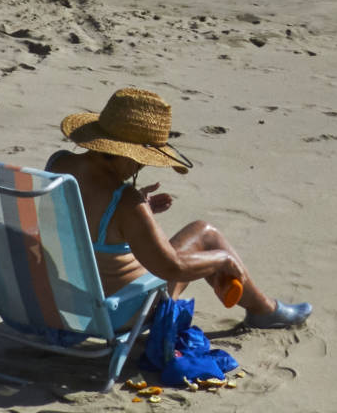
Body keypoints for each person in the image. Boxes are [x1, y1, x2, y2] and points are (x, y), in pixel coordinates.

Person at [46, 87, 311, 329]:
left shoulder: (57, 166)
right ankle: (265, 310)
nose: (140, 168)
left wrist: (137, 213)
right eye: (141, 162)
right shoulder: (125, 201)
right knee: (205, 234)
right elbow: (172, 268)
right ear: (128, 154)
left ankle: (262, 307)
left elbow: (81, 219)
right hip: (119, 312)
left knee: (195, 239)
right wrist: (222, 258)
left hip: (61, 302)